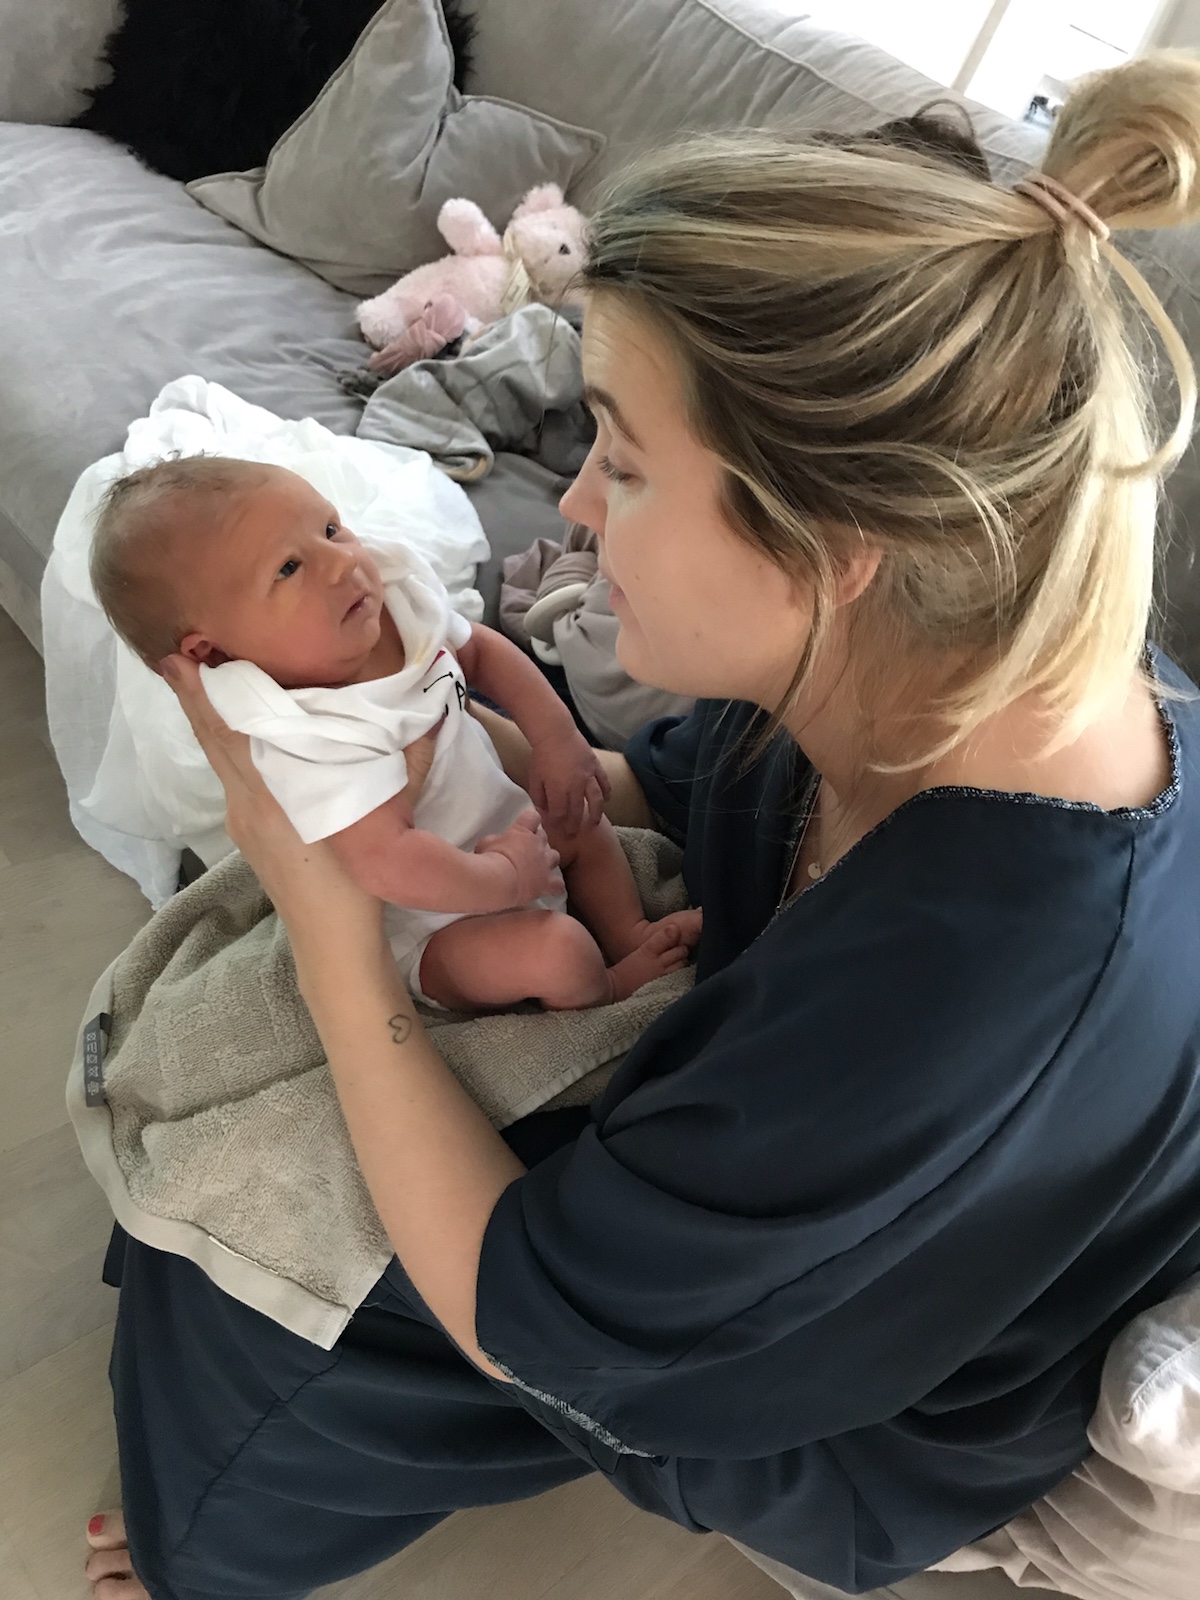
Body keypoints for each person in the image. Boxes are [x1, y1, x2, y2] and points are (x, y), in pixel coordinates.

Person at [84, 53, 1200, 1600]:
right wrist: (450, 766)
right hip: (775, 1176)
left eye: (619, 456)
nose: (577, 510)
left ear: (833, 539)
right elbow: (657, 785)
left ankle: (202, 1549)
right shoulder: (949, 656)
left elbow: (529, 1309)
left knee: (268, 1249)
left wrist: (332, 928)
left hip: (823, 1411)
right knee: (254, 1070)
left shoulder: (944, 1006)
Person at [87, 457, 701, 1011]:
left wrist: (557, 741)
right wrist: (505, 880)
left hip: (510, 834)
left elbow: (481, 652)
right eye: (289, 568)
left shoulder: (390, 611)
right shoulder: (301, 735)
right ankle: (608, 989)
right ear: (213, 651)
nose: (342, 561)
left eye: (330, 528)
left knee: (580, 816)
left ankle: (629, 934)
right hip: (436, 926)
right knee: (557, 951)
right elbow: (390, 863)